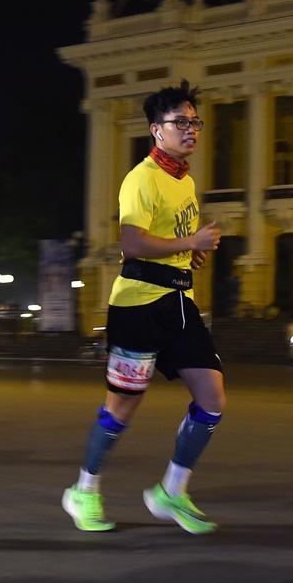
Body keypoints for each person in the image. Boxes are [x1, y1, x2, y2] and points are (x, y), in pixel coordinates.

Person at [61, 79, 225, 535]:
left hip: (179, 302)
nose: (190, 129)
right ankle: (84, 490)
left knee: (212, 398)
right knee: (122, 407)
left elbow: (165, 239)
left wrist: (188, 251)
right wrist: (190, 240)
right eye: (180, 123)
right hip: (137, 305)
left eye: (195, 122)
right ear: (156, 130)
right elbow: (131, 243)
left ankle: (172, 490)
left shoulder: (186, 181)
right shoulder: (140, 179)